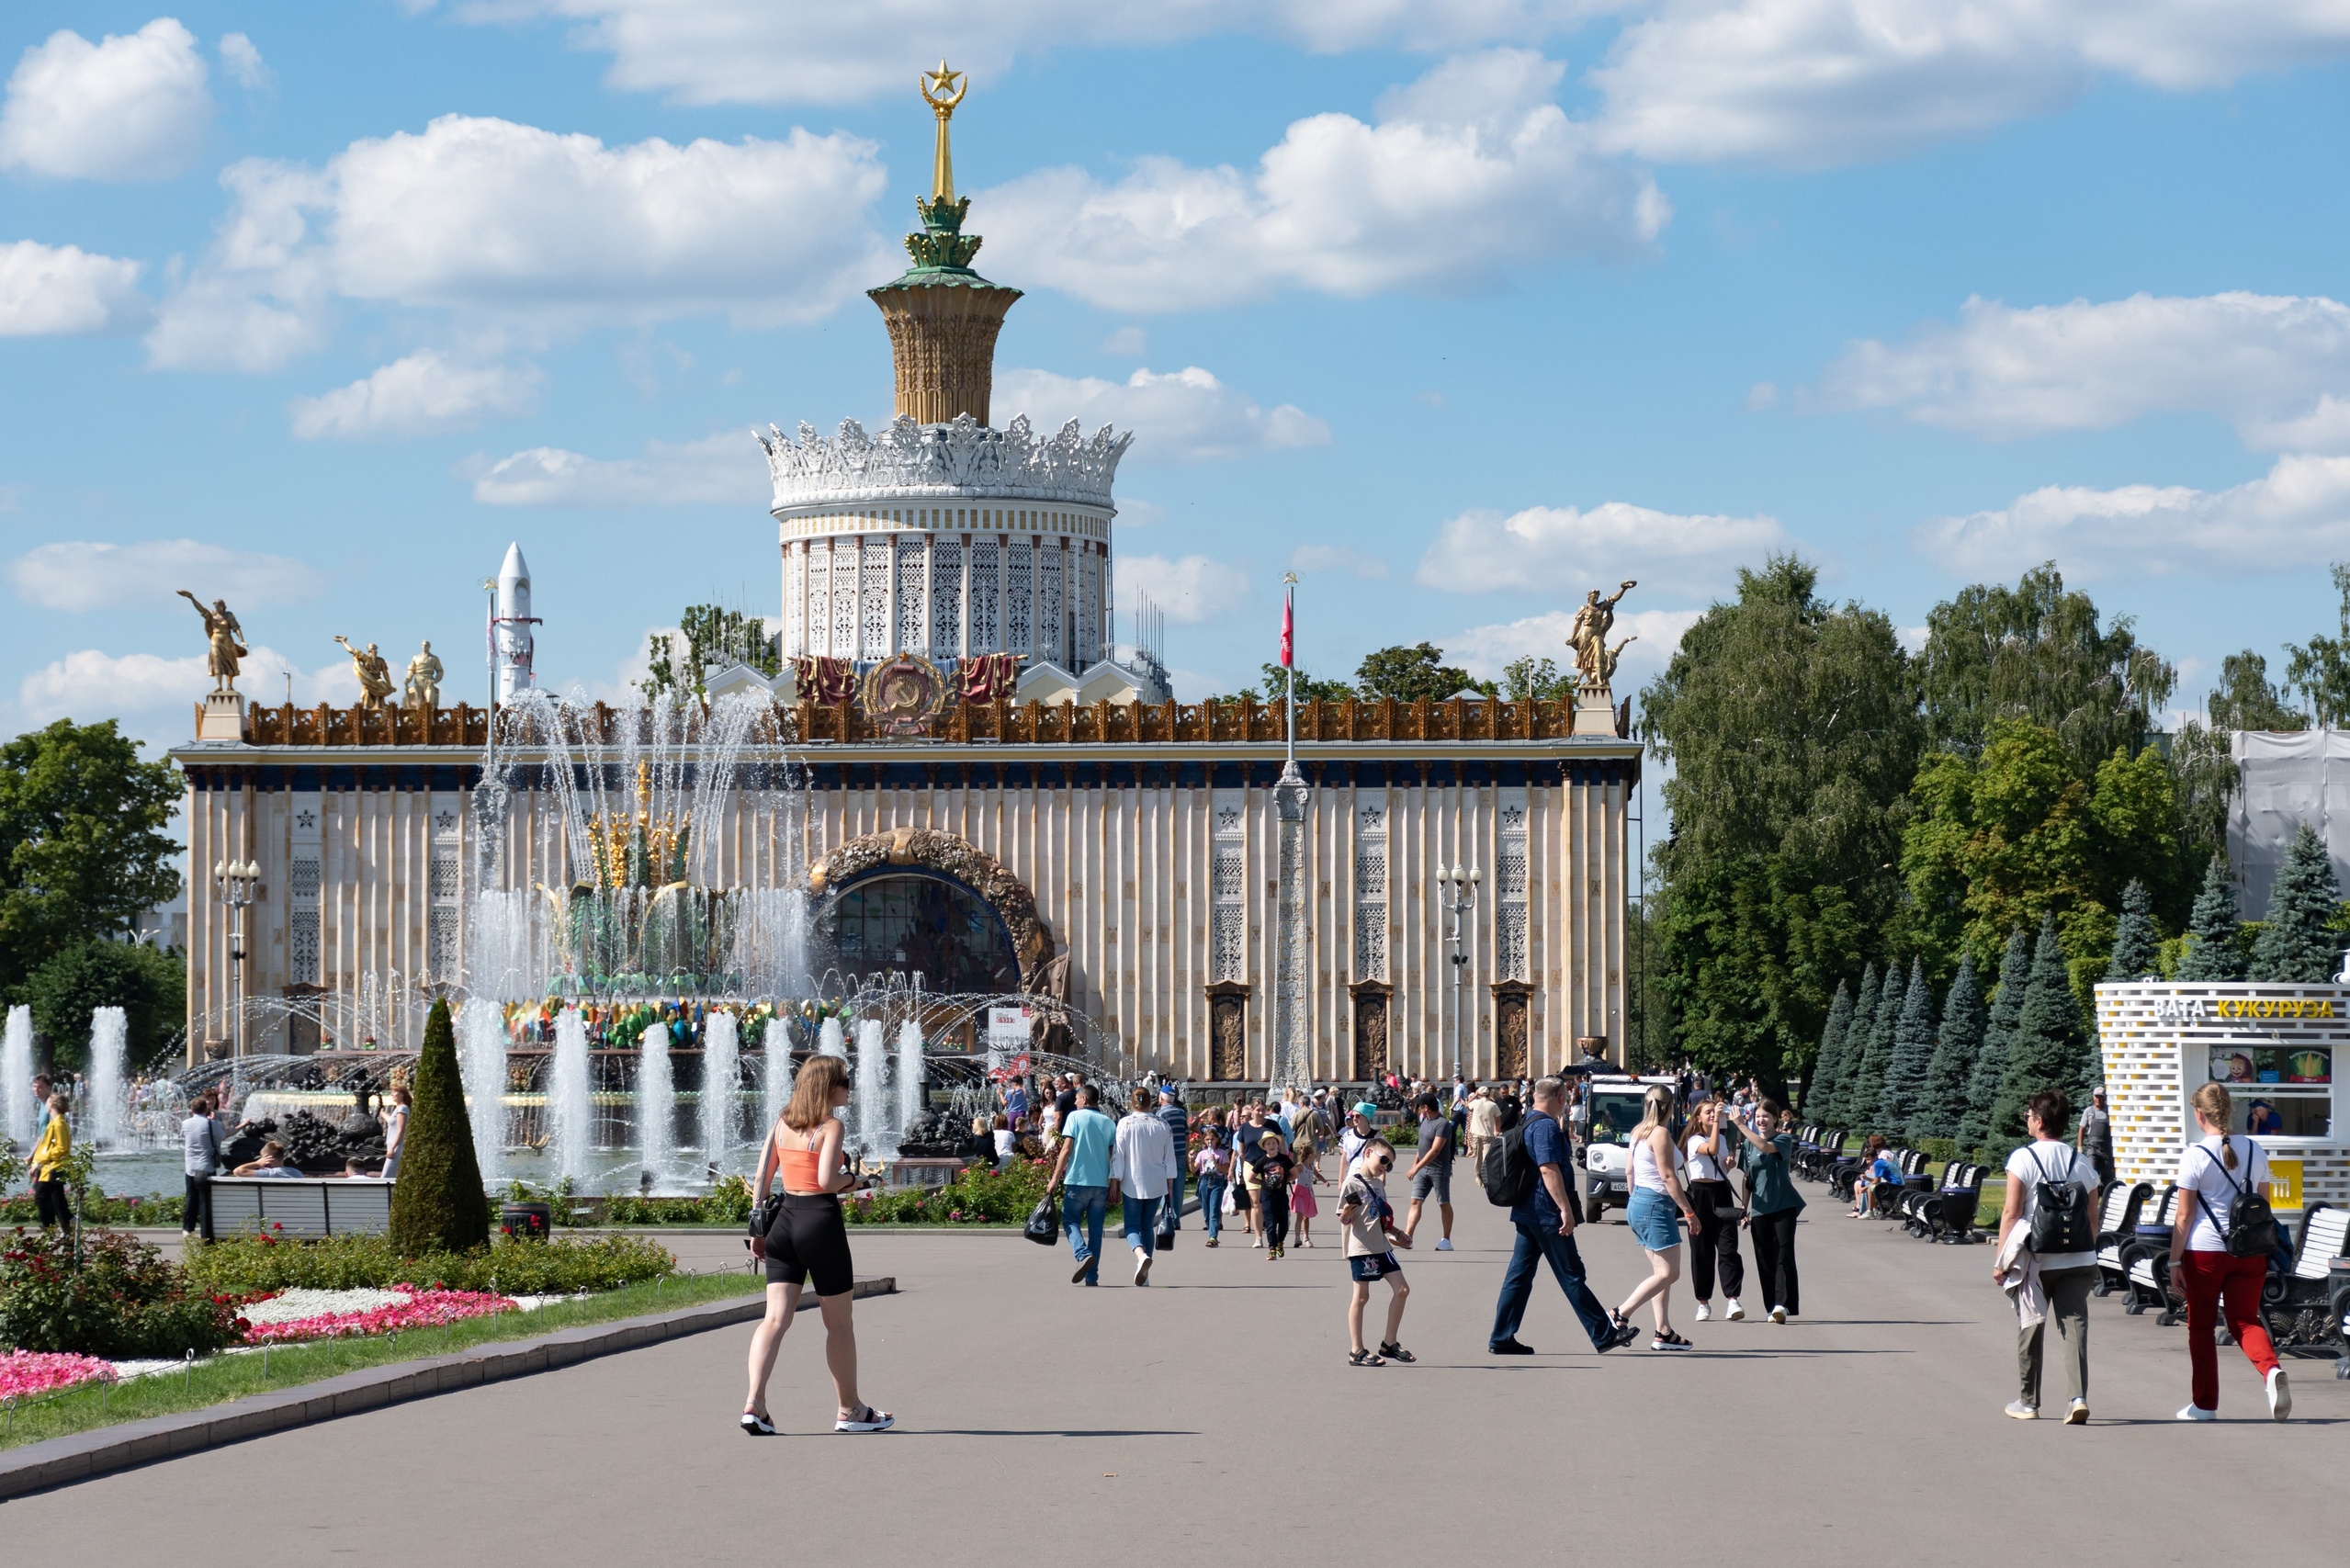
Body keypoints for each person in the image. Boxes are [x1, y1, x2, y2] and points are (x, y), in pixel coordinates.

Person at [744, 1055, 891, 1435]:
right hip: (819, 1223)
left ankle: (754, 1405)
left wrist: (757, 1229)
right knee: (839, 1324)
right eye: (845, 1080)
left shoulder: (781, 1122)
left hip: (783, 1222)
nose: (849, 1087)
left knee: (774, 1319)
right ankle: (850, 1410)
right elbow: (827, 1180)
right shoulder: (830, 1126)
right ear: (828, 1087)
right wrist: (855, 1182)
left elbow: (762, 1176)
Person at [1489, 1077, 1635, 1356]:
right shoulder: (1545, 1127)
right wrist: (1565, 1209)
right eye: (1566, 1096)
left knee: (1518, 1277)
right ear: (1558, 1096)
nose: (1567, 1101)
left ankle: (1501, 1336)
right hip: (1546, 1213)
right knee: (1571, 1274)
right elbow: (1548, 1169)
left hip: (1528, 1212)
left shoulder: (1528, 1120)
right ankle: (1603, 1334)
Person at [2169, 1082, 2289, 1422]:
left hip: (2204, 1251)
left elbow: (2184, 1215)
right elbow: (2264, 1206)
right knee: (2245, 1321)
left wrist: (2175, 1260)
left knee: (2202, 1327)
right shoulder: (2255, 1149)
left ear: (2199, 1113)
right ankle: (2270, 1372)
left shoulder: (2194, 1156)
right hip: (2250, 1251)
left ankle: (2205, 1404)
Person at [1992, 1089, 2098, 1423]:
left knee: (2031, 1325)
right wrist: (2084, 1247)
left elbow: (2011, 1212)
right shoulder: (2081, 1162)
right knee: (2075, 1328)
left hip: (2034, 1261)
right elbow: (2093, 1215)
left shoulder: (2023, 1158)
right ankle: (2077, 1397)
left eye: (2028, 1115)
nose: (2027, 1120)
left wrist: (2001, 1261)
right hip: (2078, 1259)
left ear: (2038, 1121)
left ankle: (2028, 1402)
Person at [1613, 1084, 1700, 1350]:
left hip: (1639, 1200)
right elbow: (1668, 1176)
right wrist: (1689, 1211)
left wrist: (1635, 1201)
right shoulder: (1660, 1133)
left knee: (1660, 1272)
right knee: (1669, 1272)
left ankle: (1663, 1332)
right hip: (1654, 1204)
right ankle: (1620, 1313)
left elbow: (1629, 1171)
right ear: (1671, 1107)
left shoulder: (1638, 1132)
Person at [1720, 1099, 1803, 1323]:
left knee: (1783, 1255)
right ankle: (1771, 1307)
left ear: (1776, 1119)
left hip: (1784, 1205)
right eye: (1758, 1116)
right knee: (1764, 1258)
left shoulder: (1783, 1139)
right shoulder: (1748, 1144)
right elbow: (1748, 1178)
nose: (1762, 1120)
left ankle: (1782, 1304)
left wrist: (1741, 1125)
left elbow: (1765, 1147)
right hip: (1760, 1209)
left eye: (1766, 1116)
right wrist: (1744, 1209)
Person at [1338, 1137, 1415, 1366]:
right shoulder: (1352, 1183)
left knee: (1402, 1289)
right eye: (1383, 1160)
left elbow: (1382, 1220)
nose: (1385, 1166)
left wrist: (1398, 1233)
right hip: (1362, 1248)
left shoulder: (1379, 1184)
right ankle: (1356, 1351)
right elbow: (1343, 1219)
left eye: (1389, 1164)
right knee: (1361, 1297)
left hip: (1382, 1245)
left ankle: (1389, 1344)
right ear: (1369, 1153)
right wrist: (1347, 1213)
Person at [1046, 1084, 1117, 1285]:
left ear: (1085, 1099)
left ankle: (1081, 1253)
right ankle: (1092, 1276)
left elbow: (1066, 1149)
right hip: (1100, 1184)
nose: (1075, 1101)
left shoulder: (1075, 1118)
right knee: (1096, 1230)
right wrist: (1114, 1184)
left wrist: (1054, 1178)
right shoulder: (1108, 1122)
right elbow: (1114, 1157)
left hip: (1078, 1180)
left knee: (1069, 1220)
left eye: (1077, 1098)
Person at [1684, 1100, 1746, 1323]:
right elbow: (1709, 1150)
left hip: (1721, 1193)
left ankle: (1732, 1299)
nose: (1712, 1115)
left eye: (1714, 1112)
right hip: (1700, 1195)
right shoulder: (1694, 1140)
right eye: (1707, 1113)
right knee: (1702, 1252)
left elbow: (1718, 1158)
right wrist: (1719, 1121)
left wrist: (1728, 1162)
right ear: (1698, 1118)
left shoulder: (1719, 1137)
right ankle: (1703, 1302)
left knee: (1729, 1248)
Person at [1112, 1088, 1180, 1285]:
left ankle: (1141, 1257)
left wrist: (1114, 1181)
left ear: (1131, 1102)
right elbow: (1170, 1159)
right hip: (1156, 1182)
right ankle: (1146, 1274)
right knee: (1147, 1226)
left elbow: (1119, 1156)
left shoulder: (1125, 1123)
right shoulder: (1162, 1124)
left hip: (1132, 1181)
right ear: (1151, 1102)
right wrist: (1170, 1185)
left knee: (1132, 1226)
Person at [1404, 1091, 1458, 1250]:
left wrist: (1416, 1168)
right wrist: (1415, 1165)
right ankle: (1408, 1237)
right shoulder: (1425, 1121)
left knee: (1443, 1202)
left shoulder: (1442, 1124)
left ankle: (1446, 1240)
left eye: (1419, 1105)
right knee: (1415, 1201)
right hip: (1422, 1170)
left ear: (1425, 1107)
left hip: (1439, 1170)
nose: (1418, 1107)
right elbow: (1422, 1146)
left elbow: (1435, 1150)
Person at [29, 1092, 73, 1230]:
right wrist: (37, 1164)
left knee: (42, 1197)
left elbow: (62, 1148)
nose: (45, 1104)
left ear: (52, 1104)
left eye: (47, 1102)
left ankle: (50, 1228)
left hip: (53, 1168)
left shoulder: (58, 1124)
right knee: (55, 1200)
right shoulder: (55, 1122)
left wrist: (39, 1161)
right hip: (48, 1167)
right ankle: (63, 1226)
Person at [182, 1091, 221, 1238]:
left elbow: (183, 1135)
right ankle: (206, 1231)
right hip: (207, 1167)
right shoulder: (211, 1123)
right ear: (206, 1109)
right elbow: (222, 1136)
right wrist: (213, 1120)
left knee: (191, 1198)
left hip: (190, 1167)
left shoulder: (185, 1123)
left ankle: (187, 1229)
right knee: (206, 1200)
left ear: (192, 1110)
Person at [1193, 1124, 1231, 1247]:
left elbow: (1225, 1170)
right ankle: (1211, 1232)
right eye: (1208, 1139)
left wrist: (1215, 1162)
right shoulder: (1202, 1153)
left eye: (1212, 1139)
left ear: (1217, 1140)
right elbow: (1194, 1169)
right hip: (1204, 1181)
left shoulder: (1221, 1153)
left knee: (1214, 1210)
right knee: (1206, 1211)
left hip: (1217, 1182)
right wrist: (1191, 1158)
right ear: (1204, 1140)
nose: (1210, 1141)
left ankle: (1213, 1237)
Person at [1157, 1087, 1189, 1231]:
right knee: (1179, 1187)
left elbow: (1159, 1137)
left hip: (1166, 1156)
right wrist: (1187, 1154)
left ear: (1161, 1098)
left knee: (1165, 1187)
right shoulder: (1182, 1113)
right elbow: (1186, 1135)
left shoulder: (1160, 1114)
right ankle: (1177, 1220)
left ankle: (1167, 1216)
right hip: (1181, 1154)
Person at [1847, 1134, 1897, 1218]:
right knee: (1861, 1183)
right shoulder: (1881, 1153)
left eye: (1870, 1142)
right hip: (1883, 1179)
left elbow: (1883, 1173)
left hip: (1889, 1182)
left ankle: (1864, 1211)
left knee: (1864, 1184)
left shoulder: (1885, 1155)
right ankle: (1861, 1209)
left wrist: (1868, 1175)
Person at [2077, 1086, 2116, 1190]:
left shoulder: (2109, 1111)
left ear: (2104, 1098)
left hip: (2107, 1149)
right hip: (2092, 1148)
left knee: (2108, 1177)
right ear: (2093, 1097)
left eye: (2101, 1097)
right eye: (2096, 1097)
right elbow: (2082, 1129)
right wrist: (2079, 1147)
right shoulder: (2089, 1111)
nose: (2098, 1099)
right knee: (2091, 1173)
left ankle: (2104, 1199)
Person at [1290, 1129, 1324, 1246]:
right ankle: (1297, 1238)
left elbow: (1317, 1175)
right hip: (1299, 1192)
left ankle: (1306, 1237)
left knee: (1307, 1216)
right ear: (1310, 1156)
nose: (1315, 1158)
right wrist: (1286, 1180)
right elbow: (1292, 1174)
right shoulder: (1300, 1167)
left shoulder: (1311, 1167)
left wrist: (1325, 1181)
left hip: (1308, 1193)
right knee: (1300, 1216)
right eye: (1314, 1156)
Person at [380, 1084, 412, 1181]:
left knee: (385, 1177)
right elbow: (391, 1120)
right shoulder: (399, 1108)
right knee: (393, 1176)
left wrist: (392, 1148)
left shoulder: (402, 1108)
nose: (392, 1095)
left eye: (394, 1092)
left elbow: (401, 1130)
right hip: (393, 1145)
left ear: (402, 1094)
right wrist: (381, 1113)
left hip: (396, 1146)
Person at [232, 1140, 307, 1178]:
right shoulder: (297, 1173)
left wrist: (257, 1163)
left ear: (267, 1159)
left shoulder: (269, 1173)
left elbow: (238, 1171)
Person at [1339, 1101, 1377, 1172]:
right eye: (1352, 1116)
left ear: (1366, 1118)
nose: (1354, 1118)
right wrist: (1340, 1180)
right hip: (1353, 1174)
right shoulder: (1347, 1135)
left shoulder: (1377, 1136)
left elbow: (1382, 1158)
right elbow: (1344, 1158)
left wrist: (1382, 1178)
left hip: (1371, 1175)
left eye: (1357, 1116)